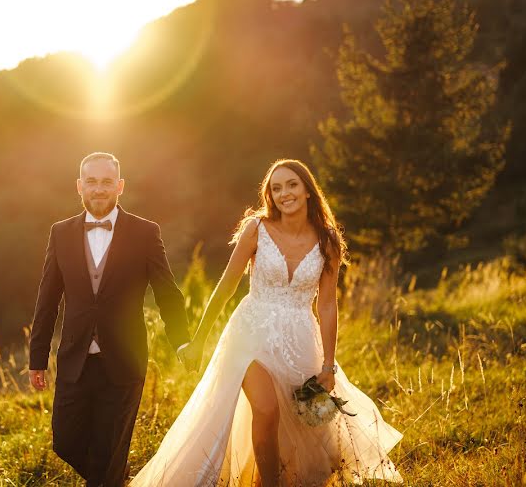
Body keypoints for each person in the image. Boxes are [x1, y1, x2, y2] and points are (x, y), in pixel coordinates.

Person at [130, 159, 403, 486]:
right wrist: (199, 340)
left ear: (307, 191)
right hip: (250, 333)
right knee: (268, 409)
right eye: (276, 188)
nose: (284, 193)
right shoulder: (256, 230)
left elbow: (327, 305)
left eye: (291, 185)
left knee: (302, 423)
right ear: (269, 196)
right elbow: (226, 286)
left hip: (300, 337)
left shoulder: (327, 241)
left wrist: (328, 366)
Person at [28, 152, 192, 487]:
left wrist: (182, 340)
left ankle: (109, 476)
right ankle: (113, 477)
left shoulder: (145, 232)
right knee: (65, 441)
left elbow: (167, 292)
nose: (98, 189)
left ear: (119, 186)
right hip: (75, 360)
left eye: (106, 182)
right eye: (91, 181)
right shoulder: (60, 233)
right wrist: (37, 357)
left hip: (124, 362)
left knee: (108, 451)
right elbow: (47, 299)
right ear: (79, 186)